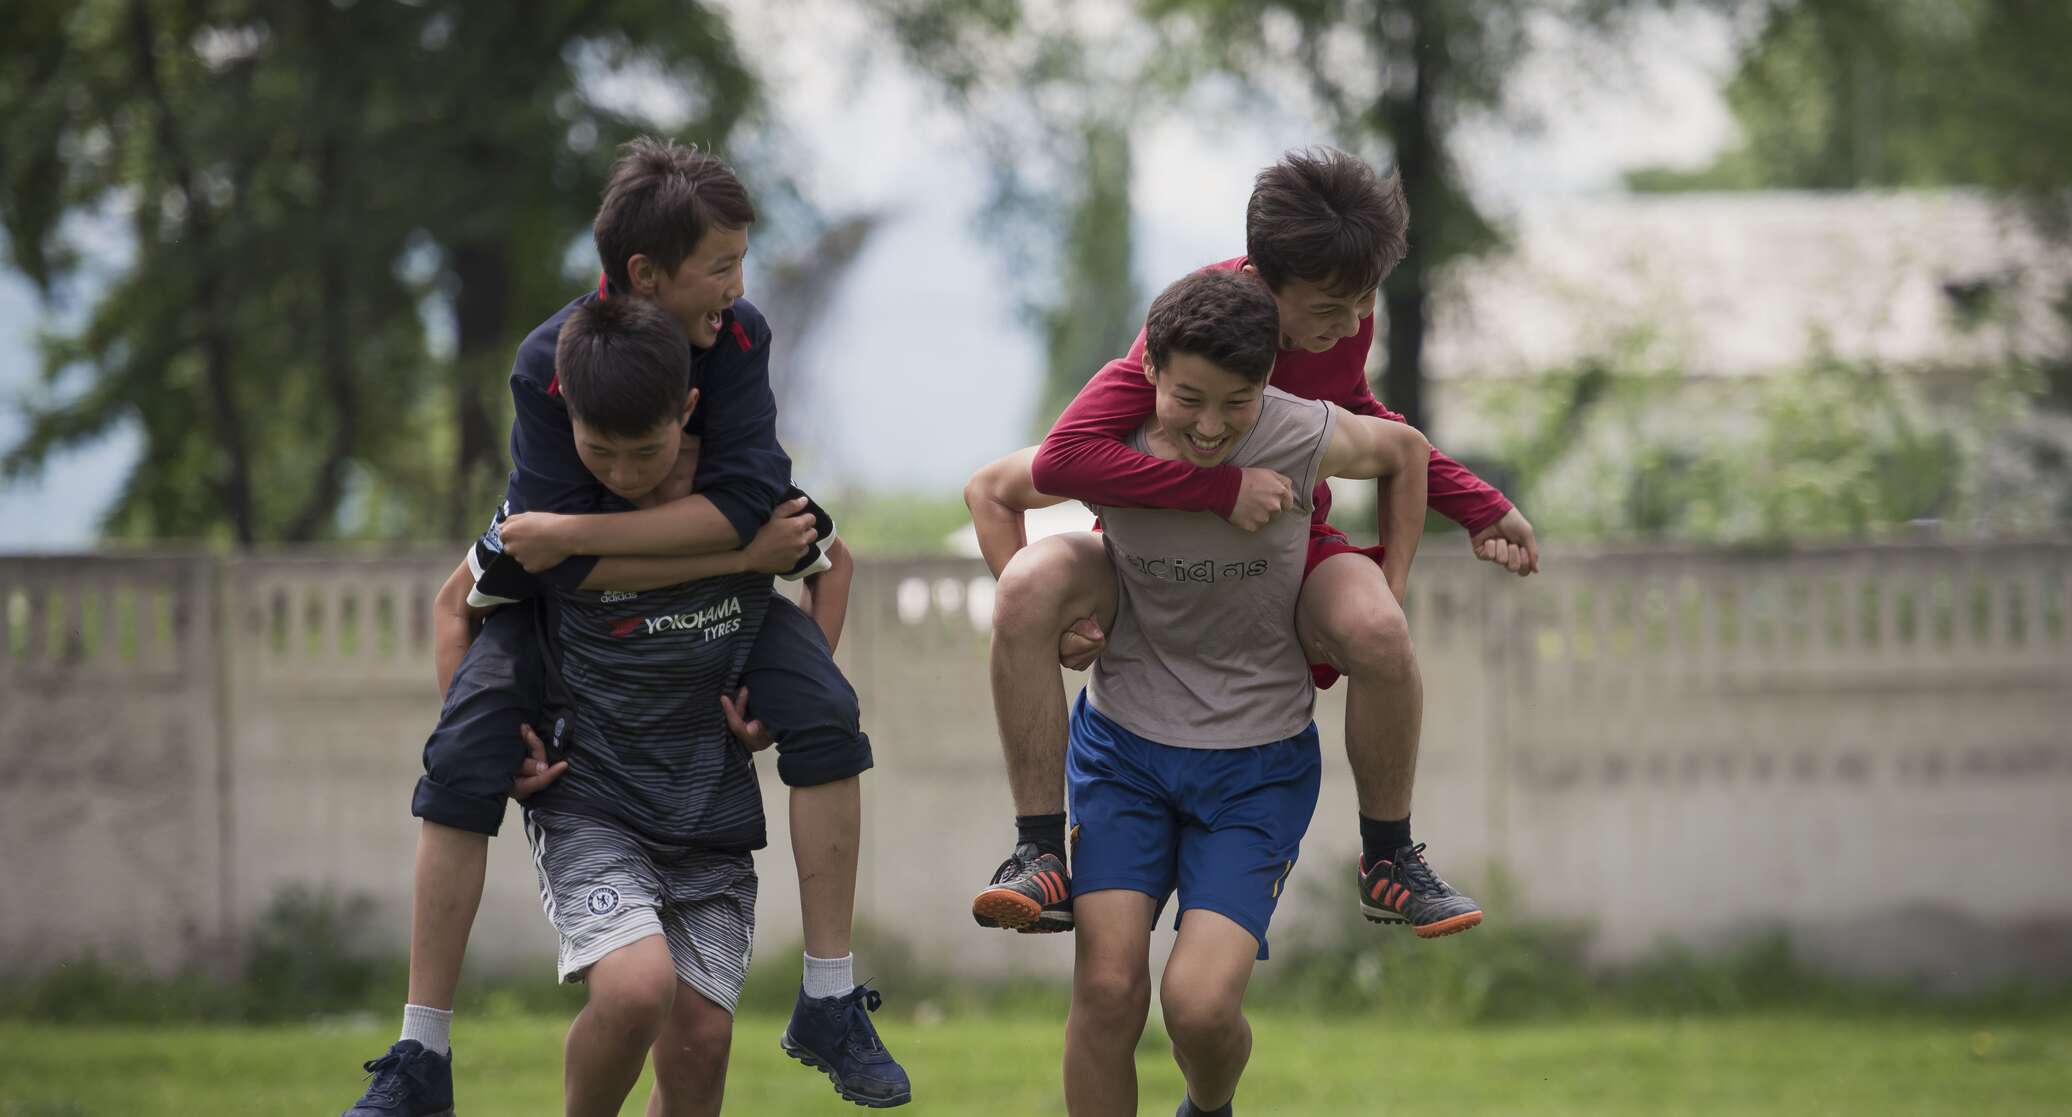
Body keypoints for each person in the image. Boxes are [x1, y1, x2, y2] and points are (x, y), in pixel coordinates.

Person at [342, 140, 906, 1116]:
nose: (738, 286)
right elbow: (546, 566)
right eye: (720, 265)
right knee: (469, 740)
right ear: (646, 274)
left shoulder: (732, 339)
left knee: (821, 710)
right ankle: (420, 1048)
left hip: (705, 739)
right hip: (564, 645)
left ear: (687, 410)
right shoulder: (552, 367)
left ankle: (827, 990)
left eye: (738, 262)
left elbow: (755, 518)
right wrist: (576, 533)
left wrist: (733, 561)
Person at [970, 147, 1537, 940]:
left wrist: (1474, 508)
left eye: (1363, 303)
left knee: (1378, 630)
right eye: (1330, 311)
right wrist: (1218, 487)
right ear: (1266, 286)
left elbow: (1362, 414)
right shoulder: (1193, 331)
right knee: (1029, 585)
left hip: (1287, 537)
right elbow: (1064, 458)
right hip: (1155, 552)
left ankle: (1389, 858)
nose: (1350, 324)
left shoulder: (1342, 310)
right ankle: (1038, 853)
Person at [971, 268, 1430, 1116]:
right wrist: (1053, 626)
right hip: (1124, 756)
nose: (1213, 426)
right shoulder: (1106, 448)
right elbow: (993, 491)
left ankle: (1208, 1108)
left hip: (1256, 768)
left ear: (1269, 382)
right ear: (1149, 373)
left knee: (1202, 1007)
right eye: (1189, 399)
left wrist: (1387, 585)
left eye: (1238, 401)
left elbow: (1406, 454)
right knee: (1108, 991)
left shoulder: (1301, 433)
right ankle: (1036, 849)